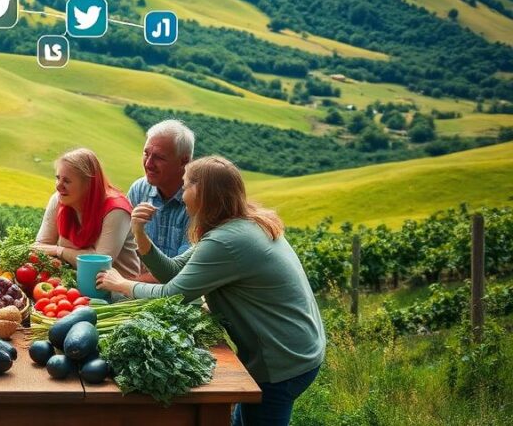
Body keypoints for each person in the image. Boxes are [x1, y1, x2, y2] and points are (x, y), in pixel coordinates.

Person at [97, 156, 325, 426]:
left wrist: (122, 284)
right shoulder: (240, 224)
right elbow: (175, 271)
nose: (182, 196)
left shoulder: (227, 240)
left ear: (202, 192)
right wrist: (140, 233)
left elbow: (174, 294)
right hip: (298, 347)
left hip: (281, 361)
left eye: (186, 186)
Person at [34, 148, 141, 278]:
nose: (58, 186)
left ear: (89, 184)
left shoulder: (116, 210)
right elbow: (41, 247)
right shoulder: (59, 199)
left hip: (118, 291)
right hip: (72, 281)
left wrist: (59, 251)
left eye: (66, 181)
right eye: (58, 178)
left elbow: (98, 264)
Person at [127, 119, 195, 257]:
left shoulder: (198, 200)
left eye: (159, 157)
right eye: (146, 154)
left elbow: (183, 269)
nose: (149, 163)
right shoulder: (139, 190)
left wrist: (124, 279)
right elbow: (124, 250)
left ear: (184, 161)